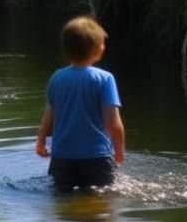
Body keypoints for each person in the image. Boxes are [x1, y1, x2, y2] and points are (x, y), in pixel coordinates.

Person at [35, 16, 125, 191]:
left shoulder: (57, 78)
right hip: (96, 157)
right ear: (97, 49)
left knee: (62, 200)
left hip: (62, 157)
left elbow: (49, 115)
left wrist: (40, 140)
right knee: (101, 202)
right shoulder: (105, 79)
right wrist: (119, 151)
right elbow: (113, 123)